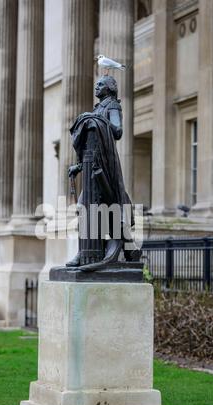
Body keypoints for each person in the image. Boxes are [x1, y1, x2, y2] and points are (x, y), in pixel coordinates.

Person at [66, 75, 140, 269]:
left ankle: (122, 246)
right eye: (96, 84)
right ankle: (87, 251)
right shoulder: (97, 109)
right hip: (92, 164)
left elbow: (117, 131)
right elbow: (92, 142)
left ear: (110, 88)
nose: (96, 87)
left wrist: (95, 120)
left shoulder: (112, 106)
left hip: (106, 164)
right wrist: (79, 166)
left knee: (109, 204)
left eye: (100, 84)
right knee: (86, 206)